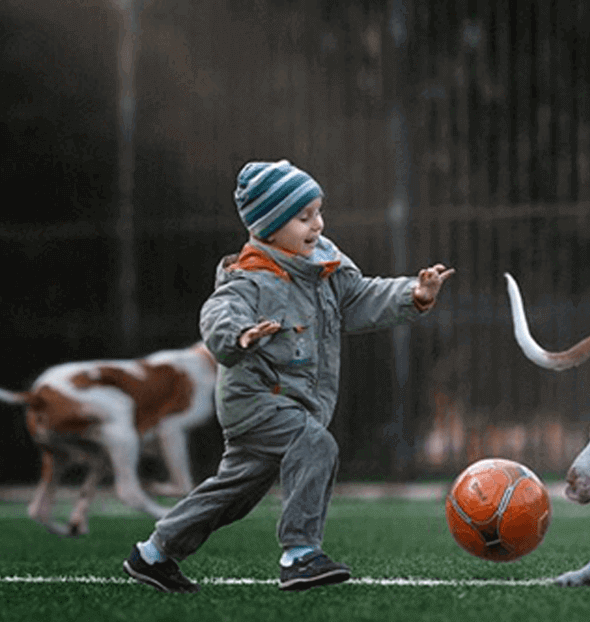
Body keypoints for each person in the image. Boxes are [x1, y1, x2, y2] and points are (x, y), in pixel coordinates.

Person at [123, 159, 454, 593]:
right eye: (304, 217)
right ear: (270, 227)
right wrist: (239, 335)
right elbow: (217, 313)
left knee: (235, 495)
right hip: (255, 400)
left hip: (293, 404)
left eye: (318, 211)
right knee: (314, 443)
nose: (317, 224)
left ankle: (153, 554)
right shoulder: (251, 278)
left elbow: (359, 298)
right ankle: (300, 555)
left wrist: (413, 293)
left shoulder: (323, 267)